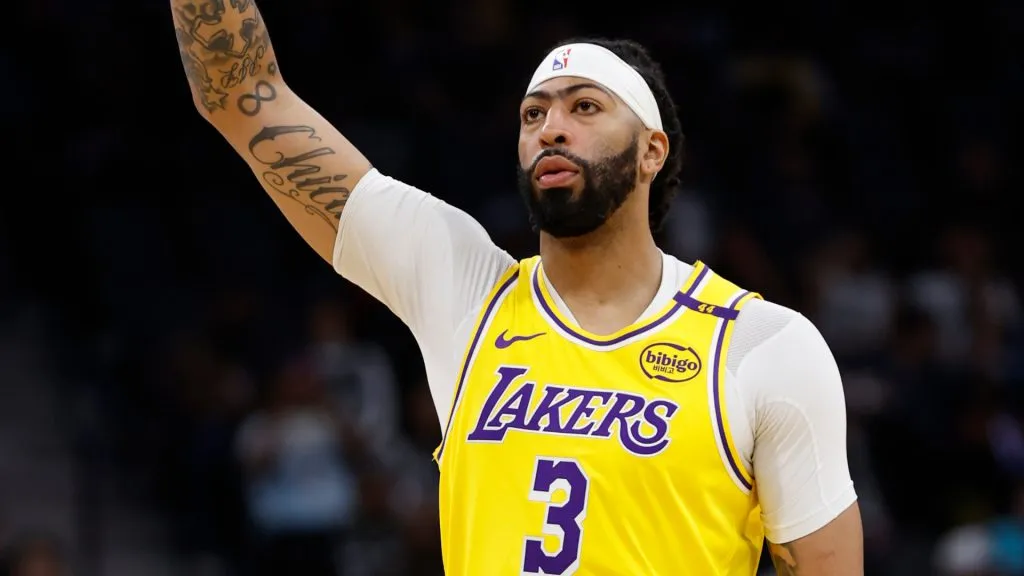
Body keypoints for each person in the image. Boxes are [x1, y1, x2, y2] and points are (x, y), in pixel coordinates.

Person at [168, 1, 863, 573]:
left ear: (652, 150)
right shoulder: (466, 289)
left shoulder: (761, 346)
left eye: (584, 108)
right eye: (533, 114)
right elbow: (242, 95)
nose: (551, 128)